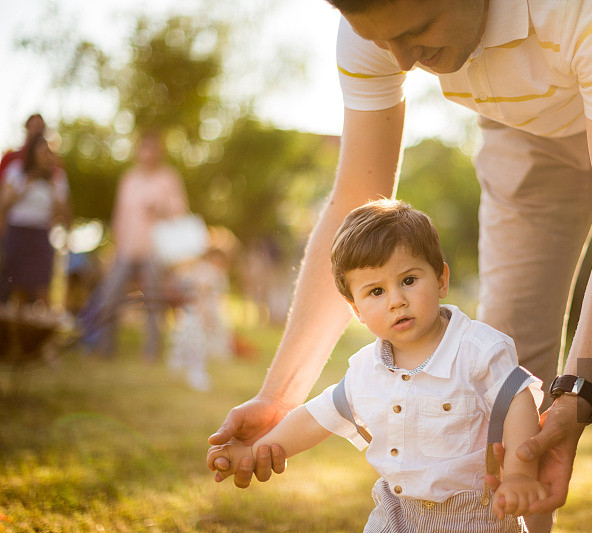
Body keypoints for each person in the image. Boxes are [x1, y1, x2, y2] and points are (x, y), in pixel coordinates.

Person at [210, 1, 592, 531]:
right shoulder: (375, 28)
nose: (401, 58)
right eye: (384, 41)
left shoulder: (587, 7)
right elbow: (355, 207)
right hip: (528, 126)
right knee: (502, 348)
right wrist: (278, 397)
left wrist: (577, 392)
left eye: (417, 31)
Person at [209, 200, 546, 529]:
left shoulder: (477, 349)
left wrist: (518, 475)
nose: (396, 300)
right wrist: (254, 451)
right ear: (355, 309)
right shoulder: (366, 370)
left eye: (409, 281)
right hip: (396, 512)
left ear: (441, 279)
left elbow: (518, 400)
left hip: (473, 517)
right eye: (375, 291)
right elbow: (317, 417)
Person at [94, 130, 188, 360]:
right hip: (126, 249)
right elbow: (119, 214)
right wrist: (115, 244)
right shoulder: (129, 179)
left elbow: (180, 210)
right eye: (144, 149)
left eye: (152, 149)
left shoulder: (168, 177)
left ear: (158, 153)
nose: (148, 154)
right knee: (110, 296)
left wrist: (160, 209)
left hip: (154, 251)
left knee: (154, 303)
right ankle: (105, 349)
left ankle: (152, 353)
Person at [0, 134, 71, 305]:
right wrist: (25, 184)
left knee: (41, 286)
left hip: (41, 233)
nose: (47, 155)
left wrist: (53, 187)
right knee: (16, 288)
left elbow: (61, 213)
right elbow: (4, 204)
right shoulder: (16, 171)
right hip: (17, 233)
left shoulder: (57, 177)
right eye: (43, 151)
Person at [168, 246, 231, 390]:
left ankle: (180, 365)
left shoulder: (205, 270)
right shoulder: (209, 272)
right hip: (200, 314)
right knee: (197, 345)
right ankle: (195, 374)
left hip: (198, 314)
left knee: (188, 342)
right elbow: (202, 294)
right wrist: (205, 315)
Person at [0, 114, 46, 185]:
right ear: (27, 128)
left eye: (40, 127)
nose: (37, 131)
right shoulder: (10, 158)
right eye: (34, 126)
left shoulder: (53, 164)